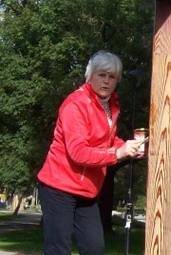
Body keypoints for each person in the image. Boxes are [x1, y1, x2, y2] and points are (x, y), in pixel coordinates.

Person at [37, 51, 144, 255]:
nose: (106, 81)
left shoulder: (110, 105)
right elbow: (78, 152)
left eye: (112, 77)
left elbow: (108, 141)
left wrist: (130, 147)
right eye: (101, 75)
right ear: (90, 76)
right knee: (58, 249)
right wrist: (118, 153)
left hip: (87, 191)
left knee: (95, 248)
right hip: (59, 187)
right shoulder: (75, 104)